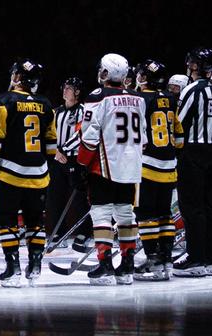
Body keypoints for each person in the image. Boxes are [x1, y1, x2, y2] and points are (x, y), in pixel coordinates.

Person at [0, 58, 57, 287]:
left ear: (17, 77)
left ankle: (12, 268)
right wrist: (41, 167)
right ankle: (35, 265)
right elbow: (52, 145)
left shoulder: (3, 101)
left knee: (7, 220)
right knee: (36, 222)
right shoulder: (46, 105)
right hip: (39, 175)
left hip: (9, 174)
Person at [77, 54, 147, 286]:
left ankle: (105, 264)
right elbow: (144, 139)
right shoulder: (138, 98)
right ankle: (127, 265)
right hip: (132, 165)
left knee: (102, 214)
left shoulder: (98, 97)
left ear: (105, 73)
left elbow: (89, 136)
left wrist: (81, 164)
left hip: (104, 166)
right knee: (126, 215)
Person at [173, 48, 212, 277]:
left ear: (195, 66)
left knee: (192, 207)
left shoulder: (191, 90)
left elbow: (179, 122)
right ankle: (211, 257)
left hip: (193, 152)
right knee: (211, 206)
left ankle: (196, 258)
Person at [134, 59, 181, 280]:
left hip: (147, 164)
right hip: (169, 164)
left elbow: (138, 134)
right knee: (165, 214)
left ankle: (152, 258)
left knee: (145, 214)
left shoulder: (141, 98)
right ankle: (166, 259)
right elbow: (179, 136)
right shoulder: (172, 99)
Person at [48, 76, 90, 253]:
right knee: (55, 196)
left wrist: (63, 150)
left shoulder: (83, 111)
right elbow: (48, 134)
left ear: (77, 92)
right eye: (64, 87)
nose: (65, 90)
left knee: (79, 198)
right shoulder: (55, 112)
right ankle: (59, 232)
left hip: (75, 159)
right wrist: (55, 152)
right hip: (57, 159)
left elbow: (82, 133)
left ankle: (84, 233)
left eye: (69, 88)